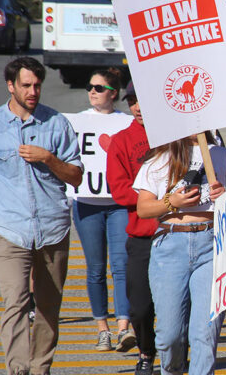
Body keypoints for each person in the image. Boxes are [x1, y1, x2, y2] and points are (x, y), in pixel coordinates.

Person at [0, 57, 83, 375]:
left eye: (37, 85)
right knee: (16, 302)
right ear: (11, 86)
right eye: (26, 85)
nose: (33, 91)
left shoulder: (57, 124)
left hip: (52, 227)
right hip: (10, 229)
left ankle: (40, 367)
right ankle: (18, 369)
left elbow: (75, 176)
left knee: (48, 306)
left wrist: (49, 158)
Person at [133, 131, 226, 375]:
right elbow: (143, 209)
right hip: (170, 243)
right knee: (169, 336)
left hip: (211, 241)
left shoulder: (223, 155)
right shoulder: (159, 160)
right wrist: (171, 202)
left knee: (205, 334)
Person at [72, 68, 136, 352]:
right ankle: (102, 329)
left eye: (99, 87)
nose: (92, 91)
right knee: (95, 269)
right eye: (90, 87)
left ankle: (124, 328)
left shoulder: (127, 121)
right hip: (87, 205)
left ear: (113, 93)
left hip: (120, 204)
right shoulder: (77, 121)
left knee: (121, 266)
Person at [107, 81, 159, 375]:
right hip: (141, 236)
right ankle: (146, 351)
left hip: (174, 233)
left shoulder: (174, 136)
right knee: (139, 306)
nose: (138, 107)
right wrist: (157, 198)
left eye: (143, 100)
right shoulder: (121, 140)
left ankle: (174, 350)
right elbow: (120, 190)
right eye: (132, 101)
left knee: (177, 307)